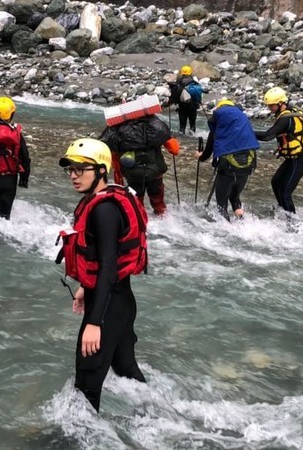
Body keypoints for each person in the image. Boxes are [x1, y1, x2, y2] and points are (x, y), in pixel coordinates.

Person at [56, 138, 147, 413]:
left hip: (107, 310)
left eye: (81, 169)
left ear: (101, 171)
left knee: (86, 385)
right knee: (126, 370)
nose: (74, 175)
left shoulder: (104, 210)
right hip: (121, 303)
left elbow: (108, 267)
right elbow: (107, 263)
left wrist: (94, 323)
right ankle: (155, 415)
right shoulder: (103, 201)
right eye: (70, 169)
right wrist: (86, 286)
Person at [99, 114, 180, 216]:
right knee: (158, 204)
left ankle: (141, 226)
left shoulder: (116, 129)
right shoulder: (155, 126)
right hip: (155, 173)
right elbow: (175, 149)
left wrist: (119, 179)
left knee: (136, 206)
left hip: (133, 175)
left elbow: (113, 157)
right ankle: (164, 220)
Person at [195, 99, 259, 221]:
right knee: (235, 197)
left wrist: (199, 156)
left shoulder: (218, 131)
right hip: (248, 165)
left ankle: (226, 229)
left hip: (227, 168)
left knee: (221, 202)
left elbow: (206, 154)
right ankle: (243, 224)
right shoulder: (245, 127)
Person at [254, 87, 303, 215]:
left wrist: (247, 132)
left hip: (300, 159)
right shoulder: (289, 112)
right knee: (276, 182)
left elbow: (268, 136)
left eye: (272, 106)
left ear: (280, 104)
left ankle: (292, 222)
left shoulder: (285, 119)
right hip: (293, 158)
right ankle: (282, 210)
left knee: (285, 192)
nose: (270, 109)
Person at [168, 65, 203, 134]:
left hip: (183, 106)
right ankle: (193, 136)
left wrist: (170, 101)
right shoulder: (194, 83)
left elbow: (174, 97)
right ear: (190, 73)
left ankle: (182, 136)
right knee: (192, 124)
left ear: (182, 73)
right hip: (193, 106)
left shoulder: (178, 84)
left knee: (182, 126)